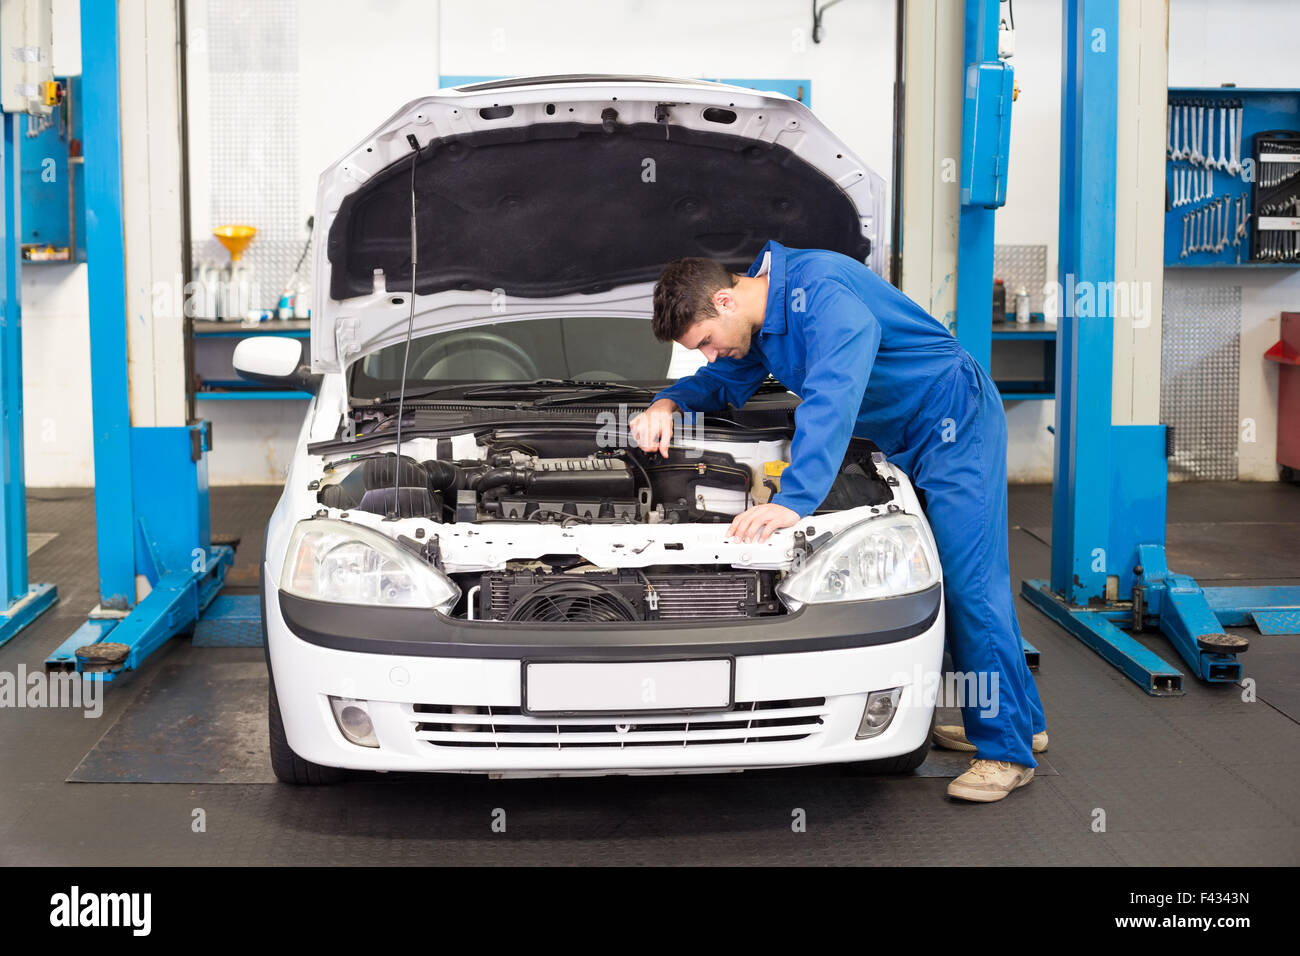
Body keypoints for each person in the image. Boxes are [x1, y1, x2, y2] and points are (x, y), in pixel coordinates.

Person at [628, 240, 1047, 802]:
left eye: (705, 341)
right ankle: (1023, 721)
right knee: (958, 577)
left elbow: (834, 391)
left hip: (953, 420)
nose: (708, 353)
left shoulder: (819, 290)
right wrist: (670, 401)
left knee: (970, 583)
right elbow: (728, 381)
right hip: (904, 434)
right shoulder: (762, 314)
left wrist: (795, 498)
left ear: (725, 301)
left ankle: (1005, 752)